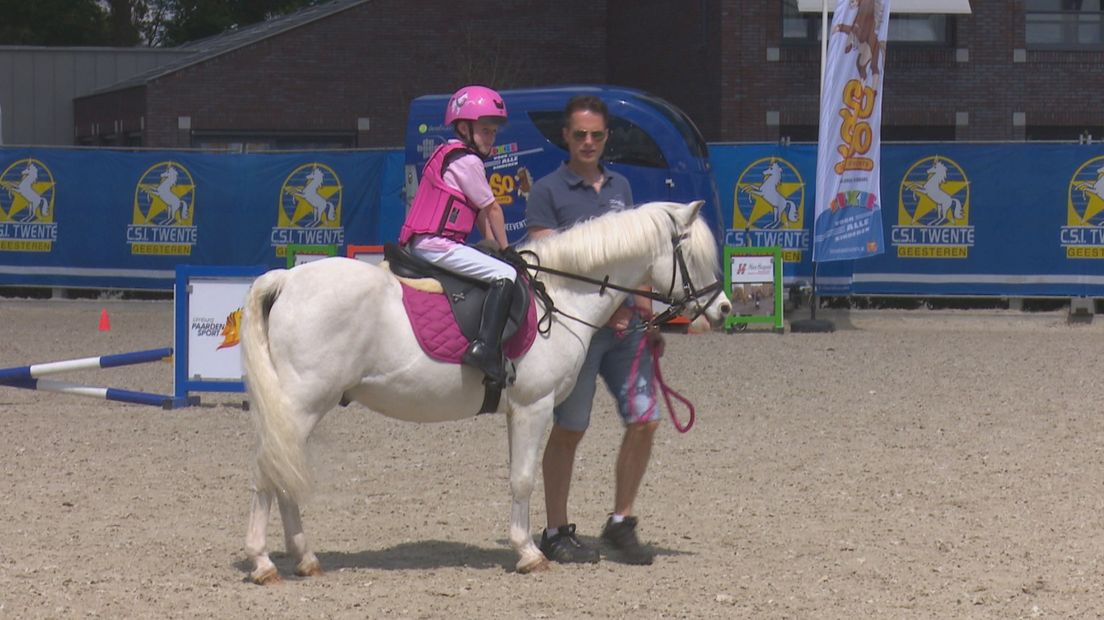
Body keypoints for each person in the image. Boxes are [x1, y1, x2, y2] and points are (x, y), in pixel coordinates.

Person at [525, 95, 663, 565]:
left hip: (628, 330)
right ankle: (556, 530)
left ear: (606, 138)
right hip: (576, 336)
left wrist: (646, 312)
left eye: (597, 135)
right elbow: (551, 267)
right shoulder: (546, 191)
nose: (588, 142)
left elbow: (636, 258)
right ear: (566, 136)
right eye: (580, 134)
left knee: (644, 420)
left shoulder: (622, 185)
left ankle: (622, 522)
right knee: (570, 428)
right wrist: (607, 313)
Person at [399, 85, 516, 385]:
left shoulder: (448, 153)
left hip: (425, 242)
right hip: (438, 244)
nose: (491, 137)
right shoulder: (468, 161)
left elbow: (477, 213)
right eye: (485, 131)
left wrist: (488, 242)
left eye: (493, 132)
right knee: (506, 276)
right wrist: (507, 251)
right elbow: (492, 210)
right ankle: (486, 350)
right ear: (464, 127)